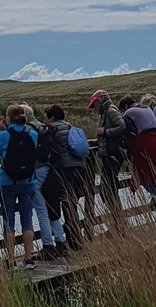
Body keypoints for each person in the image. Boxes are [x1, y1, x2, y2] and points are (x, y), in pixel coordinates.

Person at [0, 104, 38, 269]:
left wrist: (0, 130)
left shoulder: (4, 135)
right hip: (28, 181)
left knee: (8, 221)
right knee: (27, 220)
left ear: (8, 117)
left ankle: (11, 260)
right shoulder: (32, 133)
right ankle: (28, 258)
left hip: (7, 182)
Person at [20, 102, 64, 261]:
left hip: (36, 171)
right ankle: (60, 241)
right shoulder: (42, 126)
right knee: (50, 206)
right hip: (49, 169)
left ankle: (47, 246)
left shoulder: (28, 130)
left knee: (41, 209)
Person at [42, 104, 88, 252]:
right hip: (79, 169)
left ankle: (65, 241)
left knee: (60, 204)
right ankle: (75, 240)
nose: (44, 120)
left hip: (63, 170)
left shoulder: (51, 130)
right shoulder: (70, 127)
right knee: (72, 203)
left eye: (46, 117)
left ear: (52, 117)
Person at [120, 97, 156, 221]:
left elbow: (127, 133)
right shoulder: (146, 108)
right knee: (153, 174)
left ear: (125, 106)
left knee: (146, 177)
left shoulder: (129, 113)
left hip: (147, 143)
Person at [89, 89, 127, 224]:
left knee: (107, 189)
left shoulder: (111, 110)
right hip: (110, 155)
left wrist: (105, 131)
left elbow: (122, 127)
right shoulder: (106, 113)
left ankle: (119, 223)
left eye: (95, 105)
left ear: (101, 101)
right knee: (109, 189)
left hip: (114, 155)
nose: (95, 108)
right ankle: (119, 222)